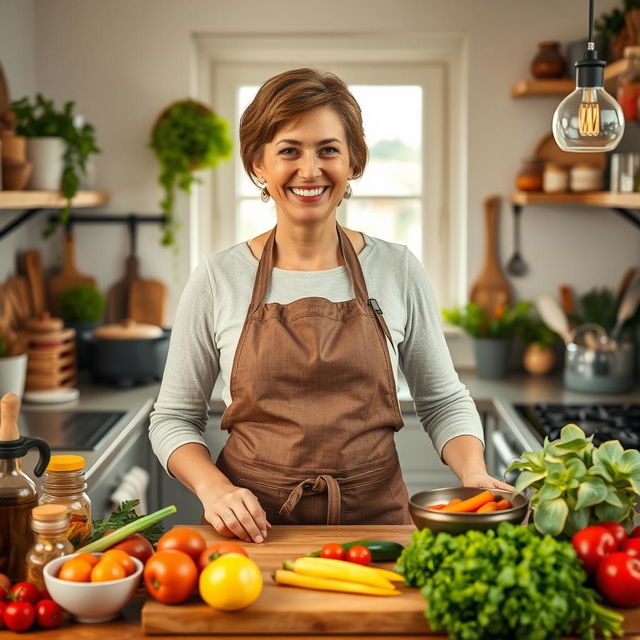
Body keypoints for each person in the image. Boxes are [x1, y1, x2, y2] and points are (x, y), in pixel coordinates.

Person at [149, 67, 511, 544]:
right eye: (288, 151)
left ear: (354, 162)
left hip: (377, 526)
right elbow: (173, 418)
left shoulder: (397, 268)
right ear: (257, 164)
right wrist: (215, 490)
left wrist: (474, 473)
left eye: (328, 150)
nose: (310, 170)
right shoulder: (218, 277)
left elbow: (443, 400)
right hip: (250, 530)